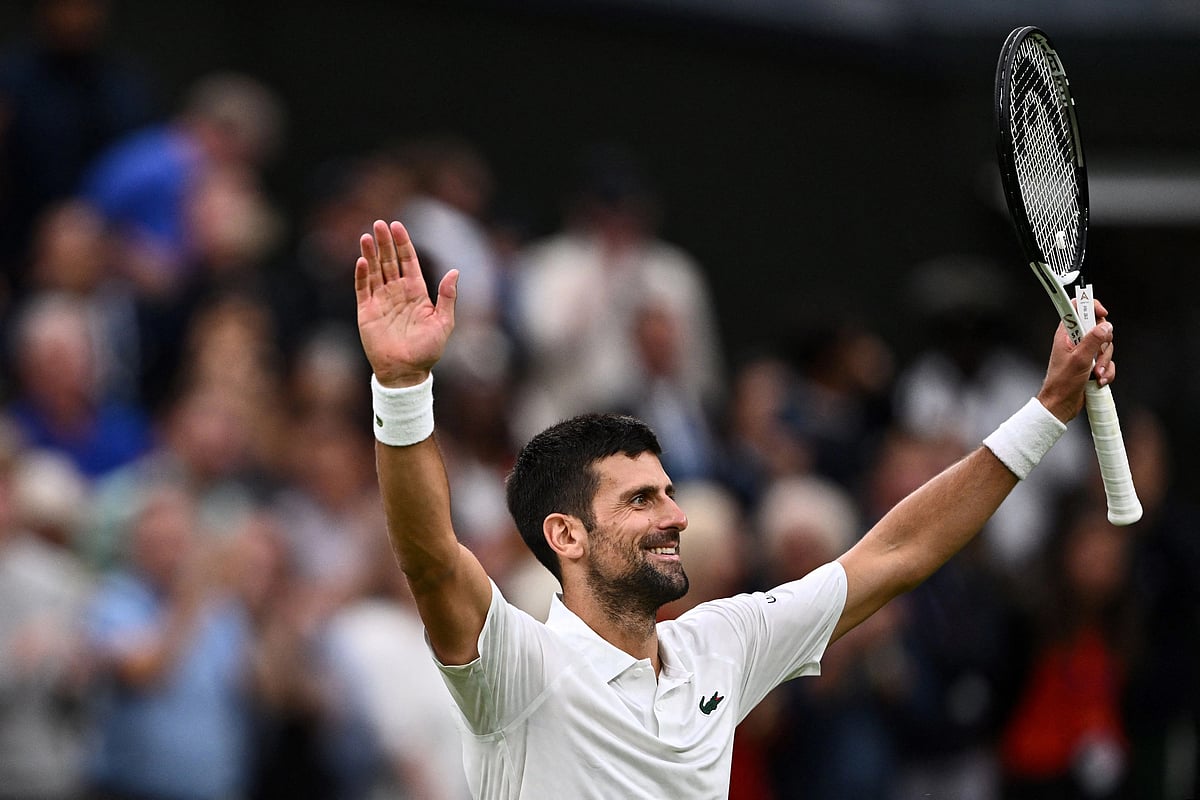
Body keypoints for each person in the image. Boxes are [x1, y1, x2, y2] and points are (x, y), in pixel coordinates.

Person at [354, 219, 1118, 798]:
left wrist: (1049, 409)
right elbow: (431, 558)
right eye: (642, 499)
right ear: (566, 535)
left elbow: (897, 552)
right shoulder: (518, 668)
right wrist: (402, 388)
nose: (676, 517)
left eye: (669, 492)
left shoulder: (720, 644)